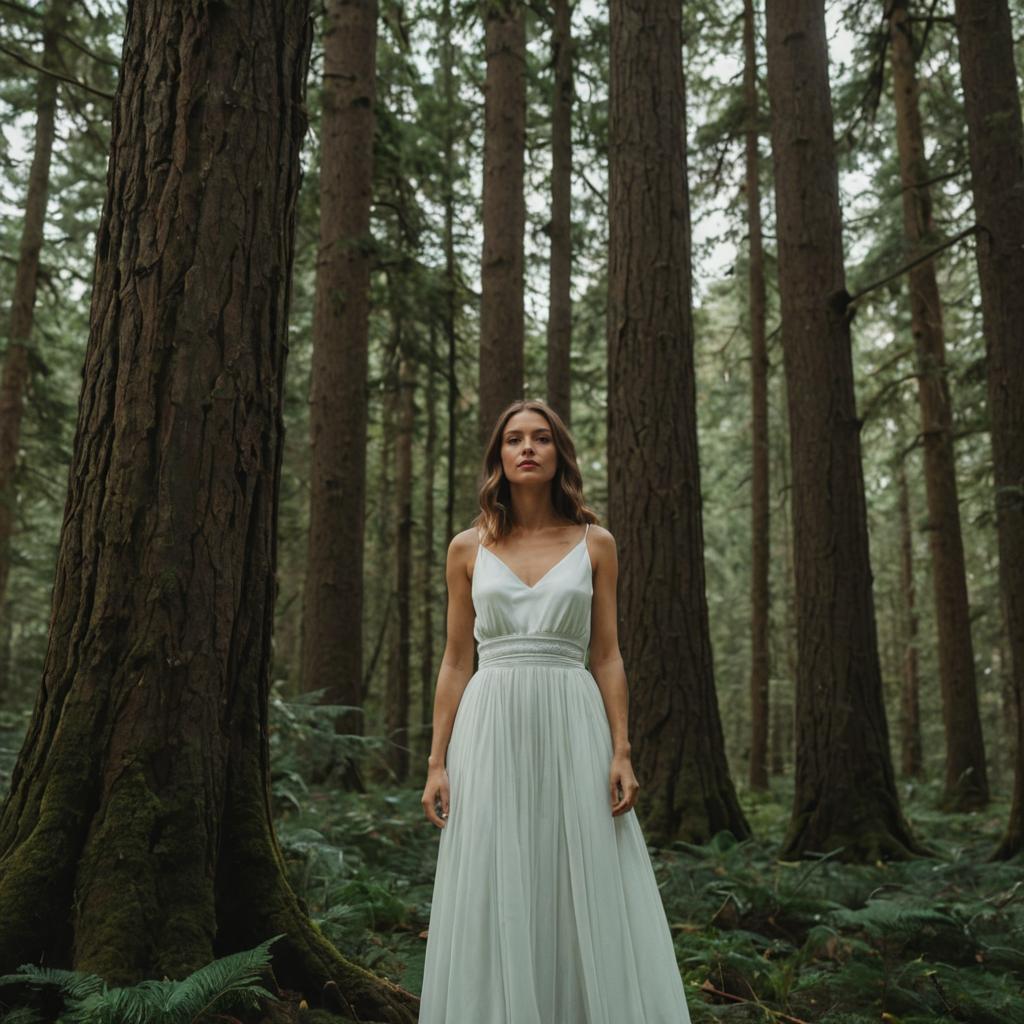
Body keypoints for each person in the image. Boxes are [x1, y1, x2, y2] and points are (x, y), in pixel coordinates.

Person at [418, 399, 692, 1024]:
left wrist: (621, 749)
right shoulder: (467, 548)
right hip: (491, 721)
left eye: (541, 438)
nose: (528, 448)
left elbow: (608, 655)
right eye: (514, 439)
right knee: (494, 869)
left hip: (573, 717)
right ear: (500, 457)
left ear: (558, 453)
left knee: (581, 868)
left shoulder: (596, 543)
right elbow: (457, 661)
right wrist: (437, 762)